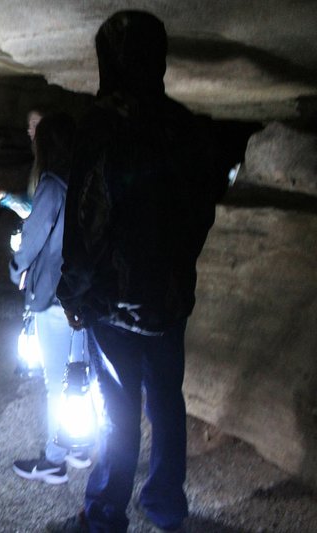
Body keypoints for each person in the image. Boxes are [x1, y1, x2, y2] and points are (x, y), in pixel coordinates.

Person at [56, 11, 230, 532]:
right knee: (167, 402)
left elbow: (87, 217)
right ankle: (166, 507)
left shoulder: (104, 127)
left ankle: (107, 513)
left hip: (113, 301)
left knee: (119, 408)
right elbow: (202, 208)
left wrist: (75, 291)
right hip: (168, 299)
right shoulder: (184, 127)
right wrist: (176, 266)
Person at [9, 115, 93, 485]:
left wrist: (16, 267)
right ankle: (80, 446)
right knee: (81, 374)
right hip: (85, 294)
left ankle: (54, 460)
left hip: (55, 296)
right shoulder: (89, 181)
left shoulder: (51, 185)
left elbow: (34, 236)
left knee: (55, 380)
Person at [0, 109, 45, 219]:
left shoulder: (51, 165)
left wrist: (5, 198)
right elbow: (32, 199)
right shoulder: (39, 159)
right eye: (29, 125)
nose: (29, 130)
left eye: (35, 124)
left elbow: (35, 210)